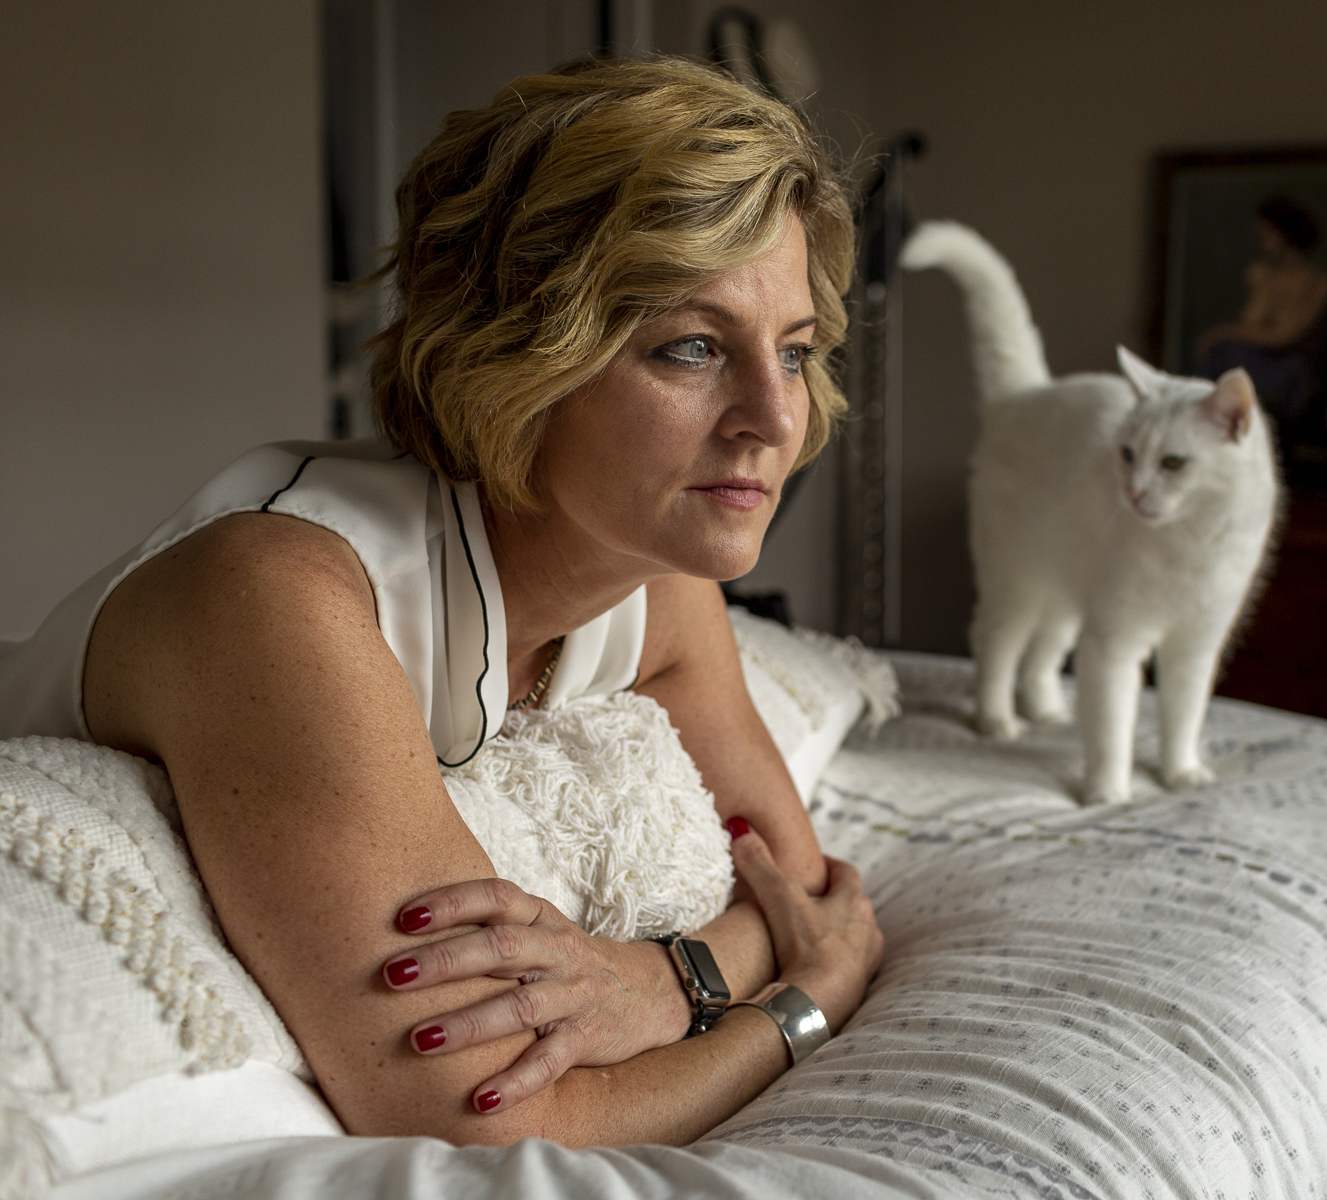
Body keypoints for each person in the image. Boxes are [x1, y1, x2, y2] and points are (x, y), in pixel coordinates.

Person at [0, 56, 883, 1147]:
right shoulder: (280, 602)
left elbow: (794, 882)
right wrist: (805, 1002)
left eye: (793, 353)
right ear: (517, 355)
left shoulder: (658, 576)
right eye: (692, 347)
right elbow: (501, 1119)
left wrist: (662, 981)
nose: (771, 417)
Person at [1193, 194, 1327, 430]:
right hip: (1250, 358)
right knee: (1224, 356)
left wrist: (1222, 331)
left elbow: (1284, 337)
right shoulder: (1259, 275)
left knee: (1229, 355)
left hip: (1287, 369)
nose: (1261, 240)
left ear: (1286, 234)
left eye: (1268, 233)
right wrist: (1264, 288)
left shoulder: (1319, 283)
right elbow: (1252, 321)